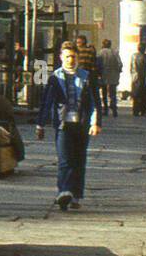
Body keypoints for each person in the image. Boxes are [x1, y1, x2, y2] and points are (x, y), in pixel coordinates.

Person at [36, 40, 101, 212]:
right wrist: (40, 124)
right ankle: (64, 191)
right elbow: (47, 102)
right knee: (65, 160)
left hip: (81, 124)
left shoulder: (87, 77)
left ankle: (76, 195)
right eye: (67, 57)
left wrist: (95, 122)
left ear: (77, 57)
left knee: (79, 160)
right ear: (61, 57)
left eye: (73, 56)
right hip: (63, 125)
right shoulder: (55, 78)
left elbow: (95, 102)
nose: (70, 60)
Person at [96, 39, 122, 118]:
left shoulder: (100, 53)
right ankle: (114, 108)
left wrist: (98, 73)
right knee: (113, 93)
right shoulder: (115, 53)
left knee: (104, 93)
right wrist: (118, 71)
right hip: (113, 75)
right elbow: (120, 64)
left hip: (104, 75)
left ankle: (105, 108)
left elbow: (98, 64)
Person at [130, 46, 146, 116]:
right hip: (143, 77)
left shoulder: (134, 56)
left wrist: (133, 75)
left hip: (135, 77)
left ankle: (135, 110)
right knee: (143, 95)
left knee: (136, 95)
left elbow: (131, 67)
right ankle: (142, 110)